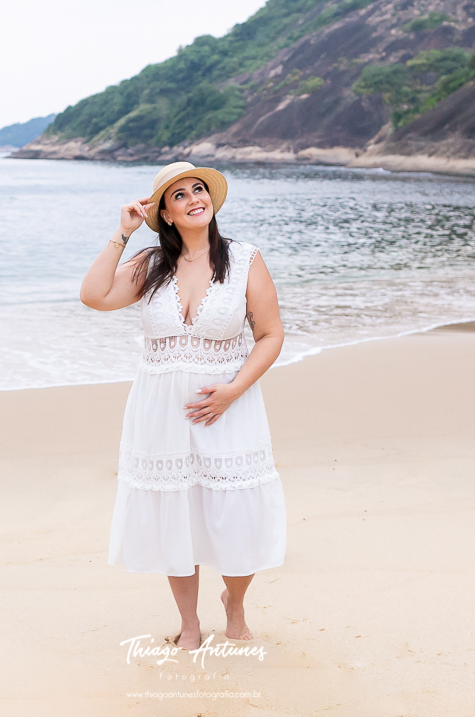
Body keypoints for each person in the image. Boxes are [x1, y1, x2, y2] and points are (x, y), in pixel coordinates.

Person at [80, 162, 287, 650]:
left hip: (228, 406)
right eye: (180, 195)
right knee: (177, 515)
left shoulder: (244, 259)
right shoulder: (152, 264)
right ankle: (189, 623)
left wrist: (234, 390)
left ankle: (233, 604)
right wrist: (123, 232)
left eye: (199, 189)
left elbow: (271, 334)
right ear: (166, 214)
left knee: (238, 512)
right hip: (161, 410)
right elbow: (93, 296)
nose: (194, 198)